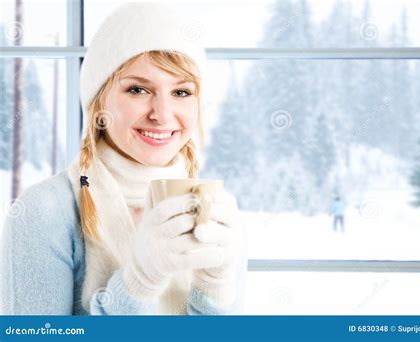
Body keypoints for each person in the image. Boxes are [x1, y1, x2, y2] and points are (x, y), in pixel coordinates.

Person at [1, 3, 247, 315]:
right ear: (98, 100)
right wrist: (139, 281)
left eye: (182, 92)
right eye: (137, 90)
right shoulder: (44, 211)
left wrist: (214, 292)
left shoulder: (220, 216)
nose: (162, 114)